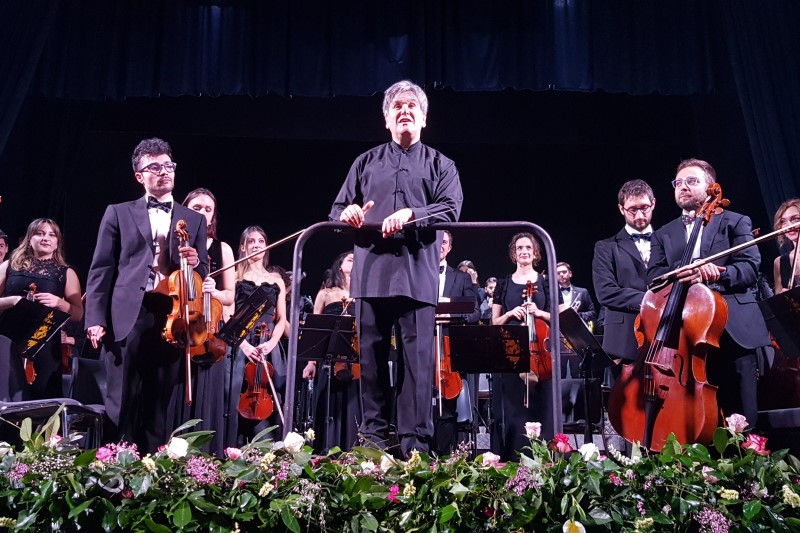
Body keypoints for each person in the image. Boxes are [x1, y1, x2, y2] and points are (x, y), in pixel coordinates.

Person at [330, 79, 463, 457]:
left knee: (417, 368)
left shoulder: (442, 164)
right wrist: (348, 213)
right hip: (371, 276)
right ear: (387, 119)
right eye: (397, 107)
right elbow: (337, 210)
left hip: (417, 277)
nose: (405, 111)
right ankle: (372, 444)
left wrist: (412, 215)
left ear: (424, 118)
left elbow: (450, 209)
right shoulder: (365, 162)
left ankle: (413, 447)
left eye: (411, 106)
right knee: (370, 365)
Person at [84, 137, 208, 453]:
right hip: (128, 312)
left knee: (158, 403)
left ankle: (152, 469)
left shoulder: (194, 219)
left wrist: (195, 262)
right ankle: (112, 466)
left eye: (168, 165)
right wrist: (95, 318)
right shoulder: (118, 212)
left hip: (171, 315)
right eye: (154, 167)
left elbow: (203, 270)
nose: (164, 172)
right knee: (120, 400)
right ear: (140, 176)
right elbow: (101, 269)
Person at [647, 158, 771, 427]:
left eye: (691, 181)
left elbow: (749, 268)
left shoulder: (735, 221)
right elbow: (653, 278)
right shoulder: (663, 234)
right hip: (689, 331)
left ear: (710, 186)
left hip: (733, 327)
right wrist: (681, 273)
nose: (683, 187)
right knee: (701, 416)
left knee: (742, 417)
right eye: (678, 183)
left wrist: (719, 273)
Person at [0, 218, 83, 399]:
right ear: (29, 239)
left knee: (42, 395)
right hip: (8, 338)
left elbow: (78, 314)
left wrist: (60, 303)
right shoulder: (10, 265)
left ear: (57, 243)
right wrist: (12, 301)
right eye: (40, 233)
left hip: (45, 343)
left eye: (52, 235)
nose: (46, 238)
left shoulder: (66, 272)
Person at [182, 187, 236, 457]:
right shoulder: (177, 244)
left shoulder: (222, 249)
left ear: (213, 216)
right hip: (181, 327)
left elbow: (230, 296)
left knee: (208, 397)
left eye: (207, 209)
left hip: (211, 330)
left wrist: (214, 292)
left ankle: (206, 459)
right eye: (196, 208)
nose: (202, 213)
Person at [491, 232, 553, 460]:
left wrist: (539, 312)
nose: (524, 251)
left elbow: (558, 317)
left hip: (541, 355)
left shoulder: (546, 282)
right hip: (511, 353)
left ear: (535, 253)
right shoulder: (503, 284)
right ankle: (512, 459)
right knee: (513, 408)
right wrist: (509, 314)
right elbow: (494, 322)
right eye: (519, 248)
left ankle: (544, 459)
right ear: (513, 253)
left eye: (528, 247)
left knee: (541, 408)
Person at [225, 226, 287, 447]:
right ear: (243, 247)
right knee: (234, 392)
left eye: (261, 241)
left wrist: (271, 343)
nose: (256, 245)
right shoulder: (234, 277)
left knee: (273, 392)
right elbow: (227, 314)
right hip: (240, 342)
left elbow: (281, 319)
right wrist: (243, 345)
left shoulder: (277, 280)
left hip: (268, 343)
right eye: (251, 241)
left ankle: (271, 449)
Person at [301, 251, 361, 452]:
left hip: (357, 361)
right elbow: (314, 330)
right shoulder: (326, 293)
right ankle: (326, 451)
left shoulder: (363, 294)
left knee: (354, 405)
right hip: (330, 359)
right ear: (340, 265)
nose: (355, 262)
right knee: (328, 404)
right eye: (350, 260)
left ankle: (353, 451)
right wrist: (311, 363)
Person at [592, 179, 656, 363]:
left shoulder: (667, 240)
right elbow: (605, 292)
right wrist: (650, 301)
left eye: (644, 208)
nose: (639, 215)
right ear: (621, 209)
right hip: (623, 340)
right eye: (632, 210)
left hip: (664, 333)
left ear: (653, 203)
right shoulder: (605, 247)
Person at [433, 230, 481, 456]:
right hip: (422, 345)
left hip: (449, 347)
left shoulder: (461, 278)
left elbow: (474, 312)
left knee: (448, 404)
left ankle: (445, 457)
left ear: (450, 247)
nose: (440, 245)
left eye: (444, 242)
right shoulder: (417, 276)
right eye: (436, 241)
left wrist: (451, 315)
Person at [554, 261, 597, 326]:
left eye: (564, 272)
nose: (561, 274)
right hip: (558, 328)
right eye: (558, 273)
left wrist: (577, 315)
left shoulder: (582, 292)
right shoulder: (551, 294)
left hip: (577, 328)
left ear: (570, 274)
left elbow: (593, 313)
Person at [772, 198, 800, 293]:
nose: (789, 226)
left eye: (795, 219)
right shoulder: (779, 262)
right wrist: (783, 296)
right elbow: (779, 299)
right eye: (783, 222)